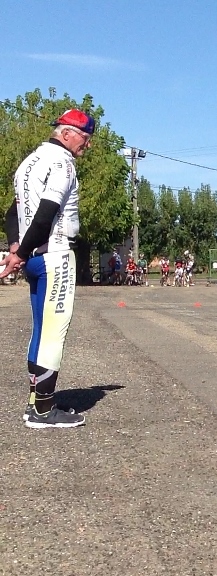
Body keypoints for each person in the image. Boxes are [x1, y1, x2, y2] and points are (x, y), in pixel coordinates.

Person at [0, 109, 96, 428]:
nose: (88, 146)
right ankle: (43, 411)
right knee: (54, 333)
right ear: (66, 133)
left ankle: (35, 403)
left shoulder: (29, 162)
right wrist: (20, 252)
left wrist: (16, 247)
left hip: (36, 260)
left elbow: (12, 214)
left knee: (40, 331)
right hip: (54, 255)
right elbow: (46, 213)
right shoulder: (62, 164)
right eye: (85, 138)